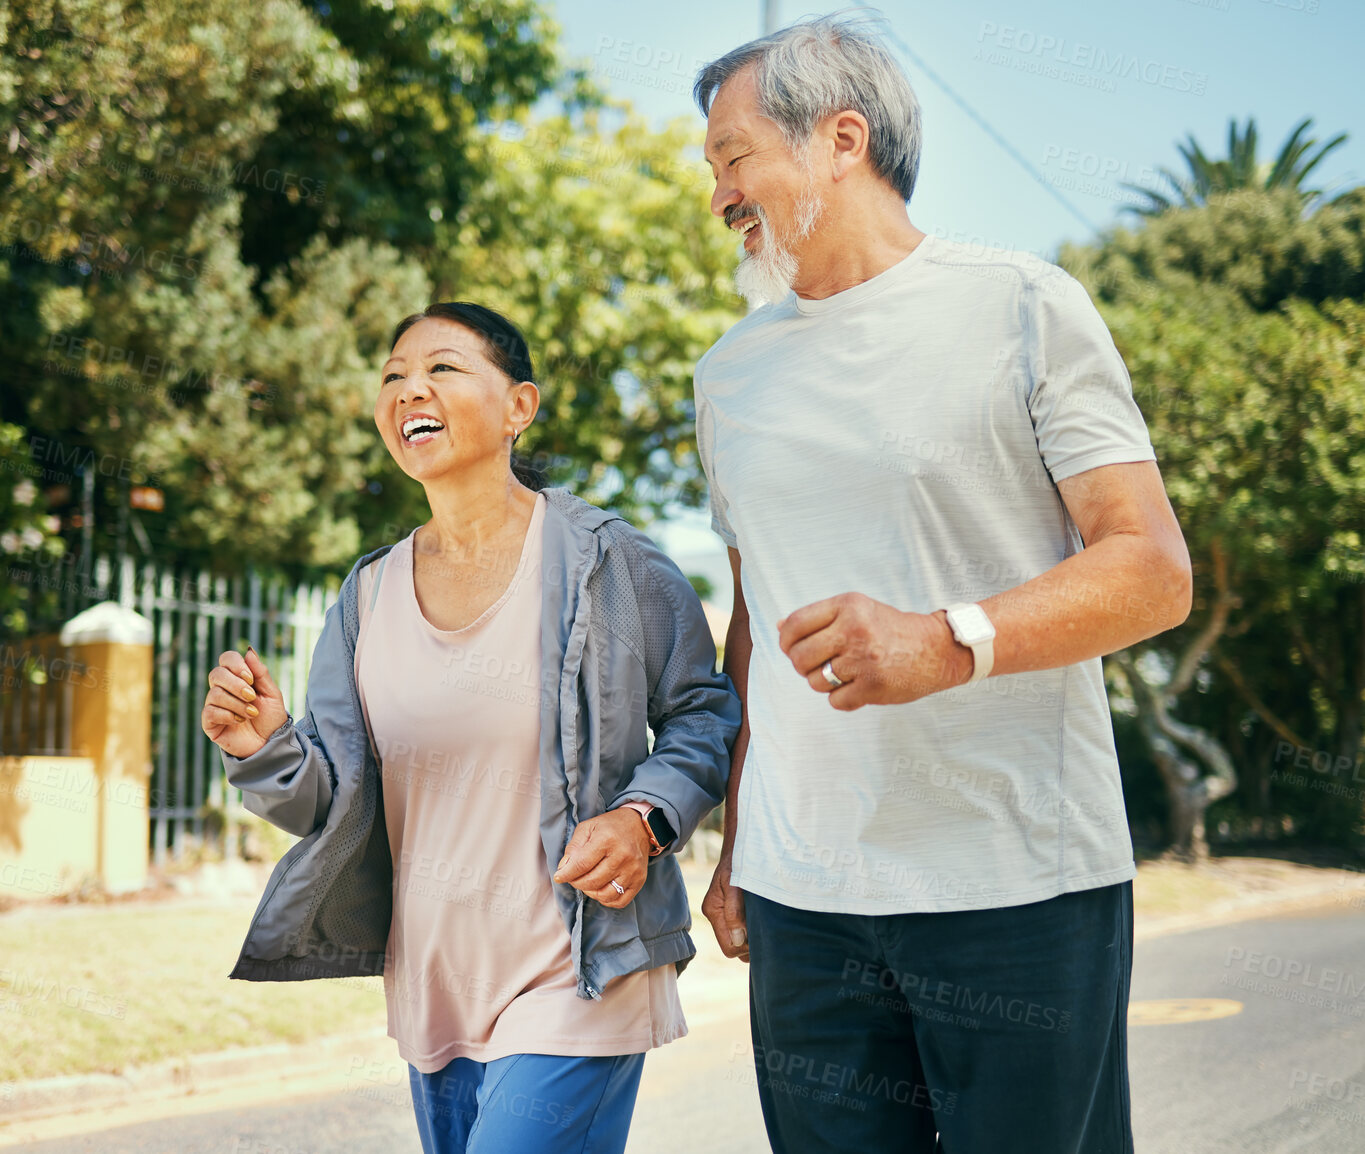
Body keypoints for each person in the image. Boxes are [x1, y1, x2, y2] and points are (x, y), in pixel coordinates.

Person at [688, 15, 1192, 1154]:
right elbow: (752, 624)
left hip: (1014, 883)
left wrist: (947, 638)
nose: (716, 192)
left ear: (840, 139)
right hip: (802, 900)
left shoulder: (1021, 305)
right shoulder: (726, 376)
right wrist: (733, 849)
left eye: (731, 157)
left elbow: (1150, 569)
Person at [201, 301, 740, 1154]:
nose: (410, 388)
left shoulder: (610, 564)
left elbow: (703, 710)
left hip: (576, 970)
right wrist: (261, 745)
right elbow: (331, 798)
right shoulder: (368, 594)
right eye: (392, 376)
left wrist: (643, 819)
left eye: (443, 368)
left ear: (518, 407)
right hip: (434, 985)